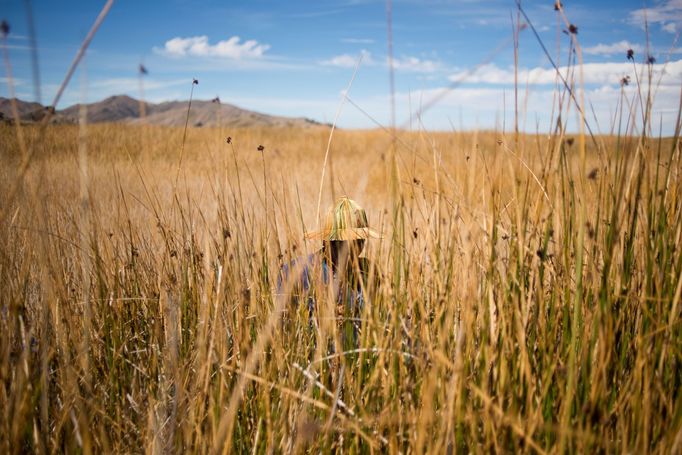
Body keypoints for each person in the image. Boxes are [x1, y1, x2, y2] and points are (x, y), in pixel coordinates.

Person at [277, 197, 381, 351]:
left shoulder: (370, 272)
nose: (356, 249)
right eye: (346, 243)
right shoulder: (296, 272)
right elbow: (283, 328)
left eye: (360, 242)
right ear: (327, 242)